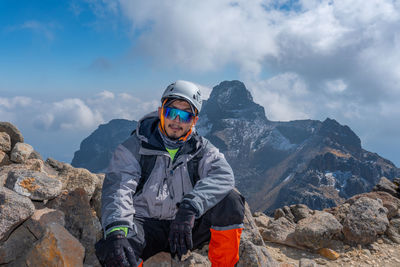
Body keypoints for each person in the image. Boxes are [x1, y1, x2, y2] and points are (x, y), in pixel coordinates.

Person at [95, 80, 245, 267]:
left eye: (185, 116)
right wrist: (116, 231)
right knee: (118, 250)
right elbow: (119, 189)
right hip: (146, 226)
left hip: (186, 227)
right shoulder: (133, 148)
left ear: (194, 121)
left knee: (230, 200)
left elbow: (224, 176)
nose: (177, 121)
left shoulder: (202, 149)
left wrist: (190, 207)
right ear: (161, 112)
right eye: (172, 112)